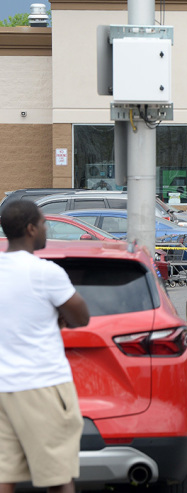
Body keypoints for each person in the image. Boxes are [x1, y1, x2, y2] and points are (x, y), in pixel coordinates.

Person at [0, 200, 90, 493]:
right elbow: (81, 318)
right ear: (30, 229)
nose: (45, 229)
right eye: (43, 224)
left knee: (4, 476)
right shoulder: (46, 273)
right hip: (41, 385)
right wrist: (58, 316)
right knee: (58, 477)